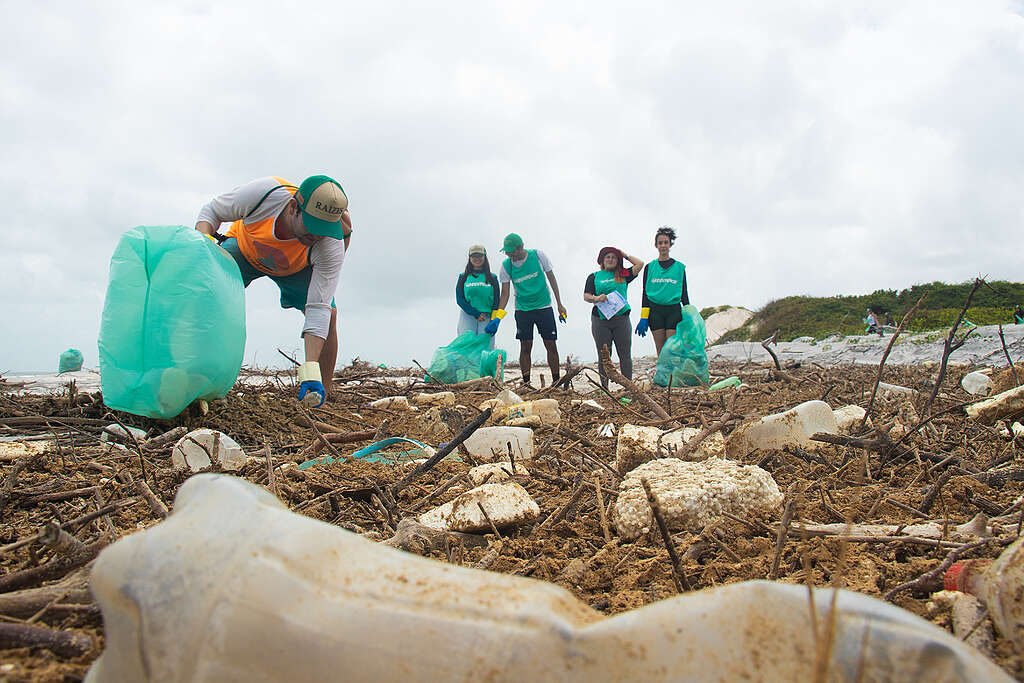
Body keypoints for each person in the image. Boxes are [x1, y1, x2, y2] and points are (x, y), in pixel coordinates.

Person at [195, 175, 351, 408]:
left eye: (324, 229)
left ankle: (320, 395)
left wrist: (309, 371)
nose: (317, 235)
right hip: (245, 250)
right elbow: (211, 212)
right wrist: (203, 246)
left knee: (330, 316)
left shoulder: (329, 243)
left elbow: (318, 308)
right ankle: (196, 374)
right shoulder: (264, 195)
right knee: (206, 294)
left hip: (296, 268)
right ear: (293, 207)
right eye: (312, 226)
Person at [485, 233, 568, 388]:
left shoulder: (538, 255)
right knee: (525, 345)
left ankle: (556, 381)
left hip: (544, 306)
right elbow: (505, 294)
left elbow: (551, 278)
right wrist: (497, 317)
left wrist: (560, 304)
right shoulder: (506, 266)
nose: (509, 254)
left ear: (521, 247)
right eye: (506, 252)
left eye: (511, 251)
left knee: (550, 343)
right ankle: (526, 383)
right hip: (523, 310)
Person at [584, 247, 644, 388]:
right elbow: (586, 296)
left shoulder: (623, 274)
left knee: (625, 355)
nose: (611, 259)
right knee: (604, 355)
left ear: (617, 261)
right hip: (600, 320)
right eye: (608, 257)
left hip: (621, 319)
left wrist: (623, 254)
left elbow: (640, 264)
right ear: (602, 260)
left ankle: (629, 389)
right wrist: (597, 298)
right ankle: (605, 389)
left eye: (614, 257)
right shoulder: (594, 276)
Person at [635, 226, 689, 356]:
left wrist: (689, 315)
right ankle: (663, 377)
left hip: (673, 311)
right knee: (661, 351)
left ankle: (673, 377)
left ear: (670, 244)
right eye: (660, 243)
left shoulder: (679, 267)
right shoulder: (649, 267)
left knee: (672, 350)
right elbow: (645, 293)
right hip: (655, 312)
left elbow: (684, 294)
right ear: (656, 245)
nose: (663, 245)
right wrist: (643, 317)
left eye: (666, 242)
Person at [455, 245, 499, 349]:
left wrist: (494, 319)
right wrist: (475, 313)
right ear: (469, 258)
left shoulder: (492, 278)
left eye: (480, 256)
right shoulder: (463, 277)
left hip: (486, 316)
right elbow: (460, 299)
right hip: (468, 315)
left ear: (484, 257)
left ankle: (485, 366)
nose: (477, 259)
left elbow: (496, 300)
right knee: (466, 345)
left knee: (485, 347)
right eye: (474, 256)